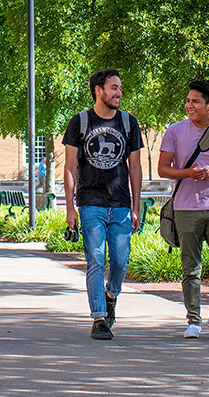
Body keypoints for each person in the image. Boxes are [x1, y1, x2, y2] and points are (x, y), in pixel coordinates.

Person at [158, 80, 209, 340]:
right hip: (185, 208)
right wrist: (188, 173)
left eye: (195, 101)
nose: (189, 105)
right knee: (190, 267)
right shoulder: (175, 131)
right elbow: (163, 168)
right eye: (188, 101)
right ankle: (193, 320)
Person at [62, 69, 143, 341]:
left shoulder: (129, 123)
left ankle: (111, 296)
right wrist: (70, 207)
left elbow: (135, 167)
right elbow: (70, 166)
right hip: (90, 202)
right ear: (99, 90)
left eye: (120, 88)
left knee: (120, 261)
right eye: (114, 88)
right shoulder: (80, 122)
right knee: (95, 259)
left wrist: (137, 205)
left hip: (120, 203)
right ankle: (98, 317)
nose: (119, 93)